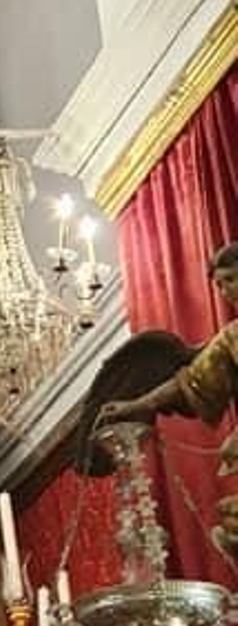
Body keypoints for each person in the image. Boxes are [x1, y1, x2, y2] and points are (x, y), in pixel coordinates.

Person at [97, 240, 238, 560]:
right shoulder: (231, 337)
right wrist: (136, 405)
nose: (225, 291)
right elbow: (186, 382)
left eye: (230, 279)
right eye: (219, 285)